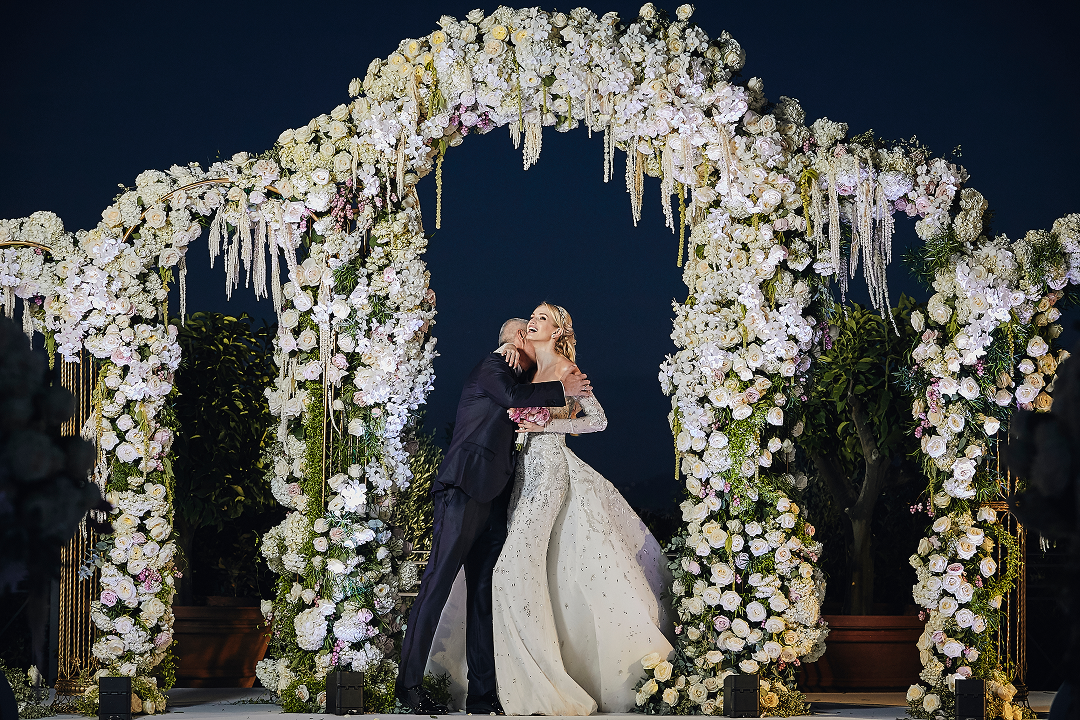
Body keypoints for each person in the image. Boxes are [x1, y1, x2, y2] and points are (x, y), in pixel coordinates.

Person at [396, 317, 591, 715]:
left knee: (484, 594)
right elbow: (512, 395)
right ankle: (408, 684)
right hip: (464, 490)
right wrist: (562, 389)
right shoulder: (492, 367)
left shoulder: (517, 375)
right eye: (528, 330)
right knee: (437, 583)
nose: (531, 334)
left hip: (495, 497)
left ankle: (482, 696)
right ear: (517, 338)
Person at [491, 303, 675, 715]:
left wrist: (548, 426)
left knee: (511, 567)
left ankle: (539, 683)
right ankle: (545, 671)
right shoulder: (525, 370)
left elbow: (598, 421)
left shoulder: (565, 370)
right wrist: (505, 346)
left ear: (557, 331)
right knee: (542, 570)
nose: (532, 322)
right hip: (522, 474)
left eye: (540, 318)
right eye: (531, 318)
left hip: (551, 469)